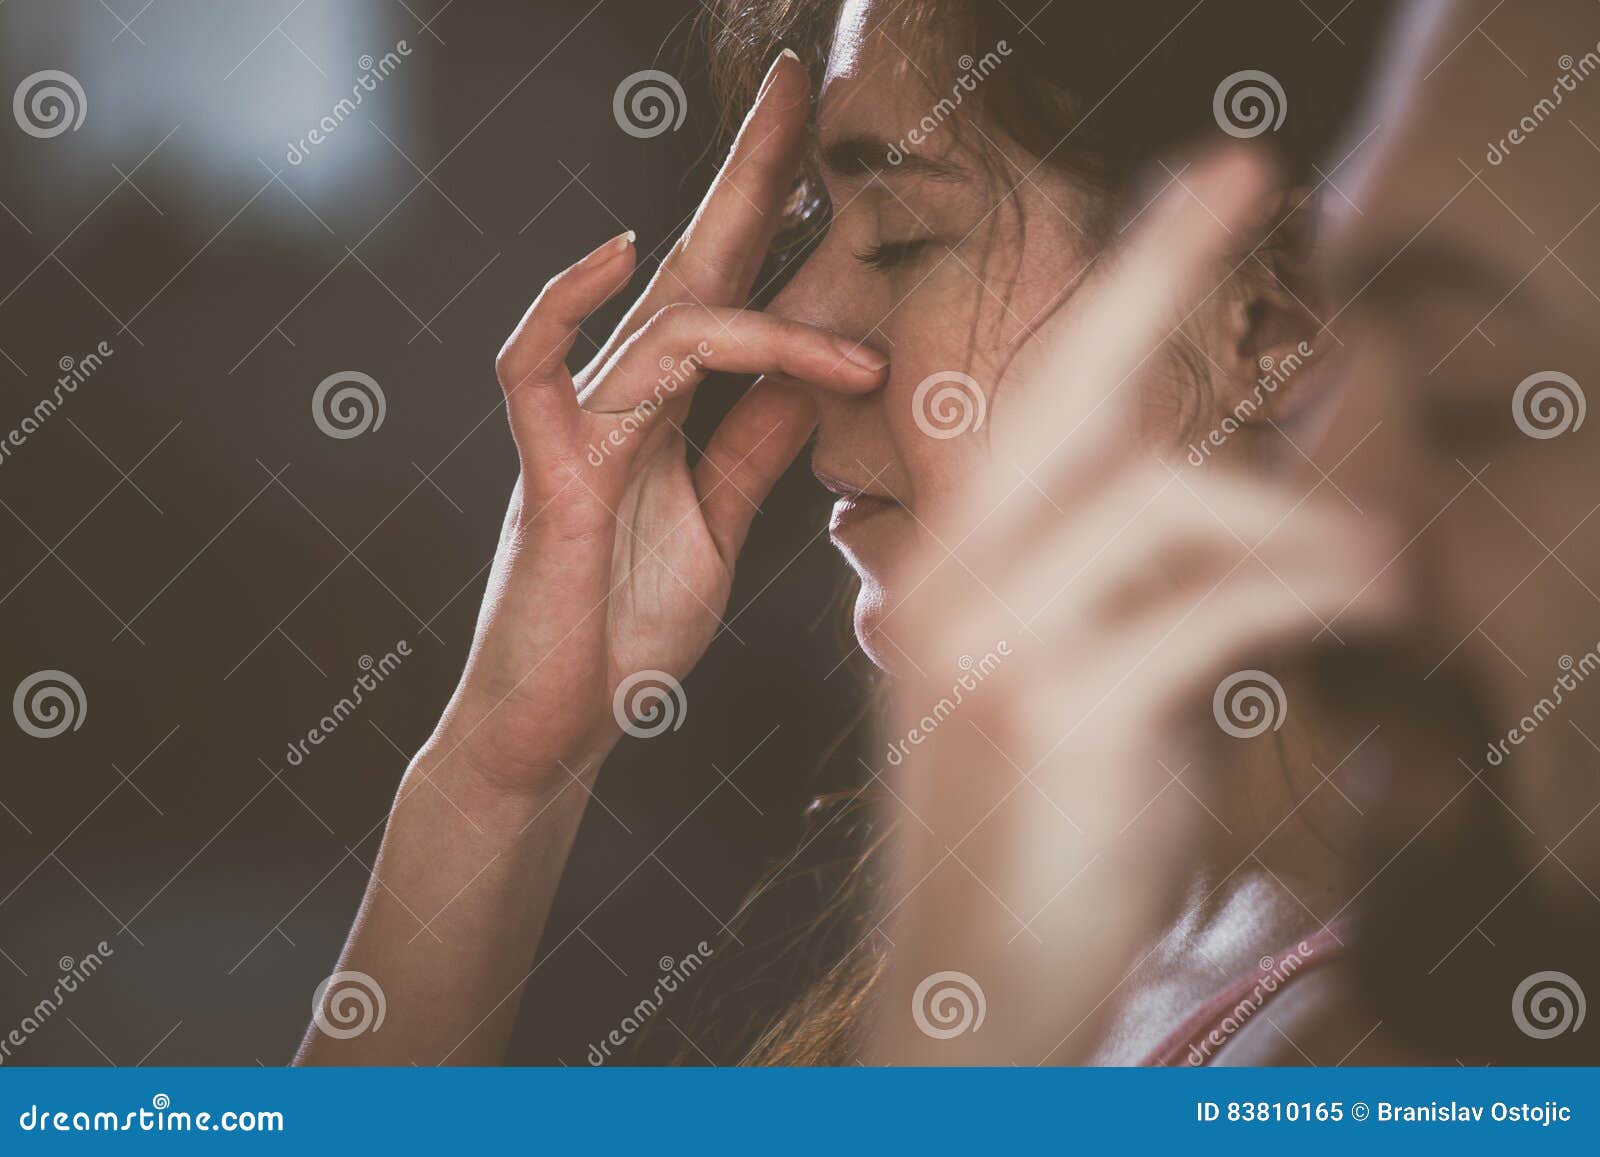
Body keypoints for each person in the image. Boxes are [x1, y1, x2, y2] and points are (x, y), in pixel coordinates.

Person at [296, 0, 1398, 1065]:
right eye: (822, 229)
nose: (793, 322)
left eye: (902, 236)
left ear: (1273, 319)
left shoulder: (1389, 1052)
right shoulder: (1111, 957)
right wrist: (506, 765)